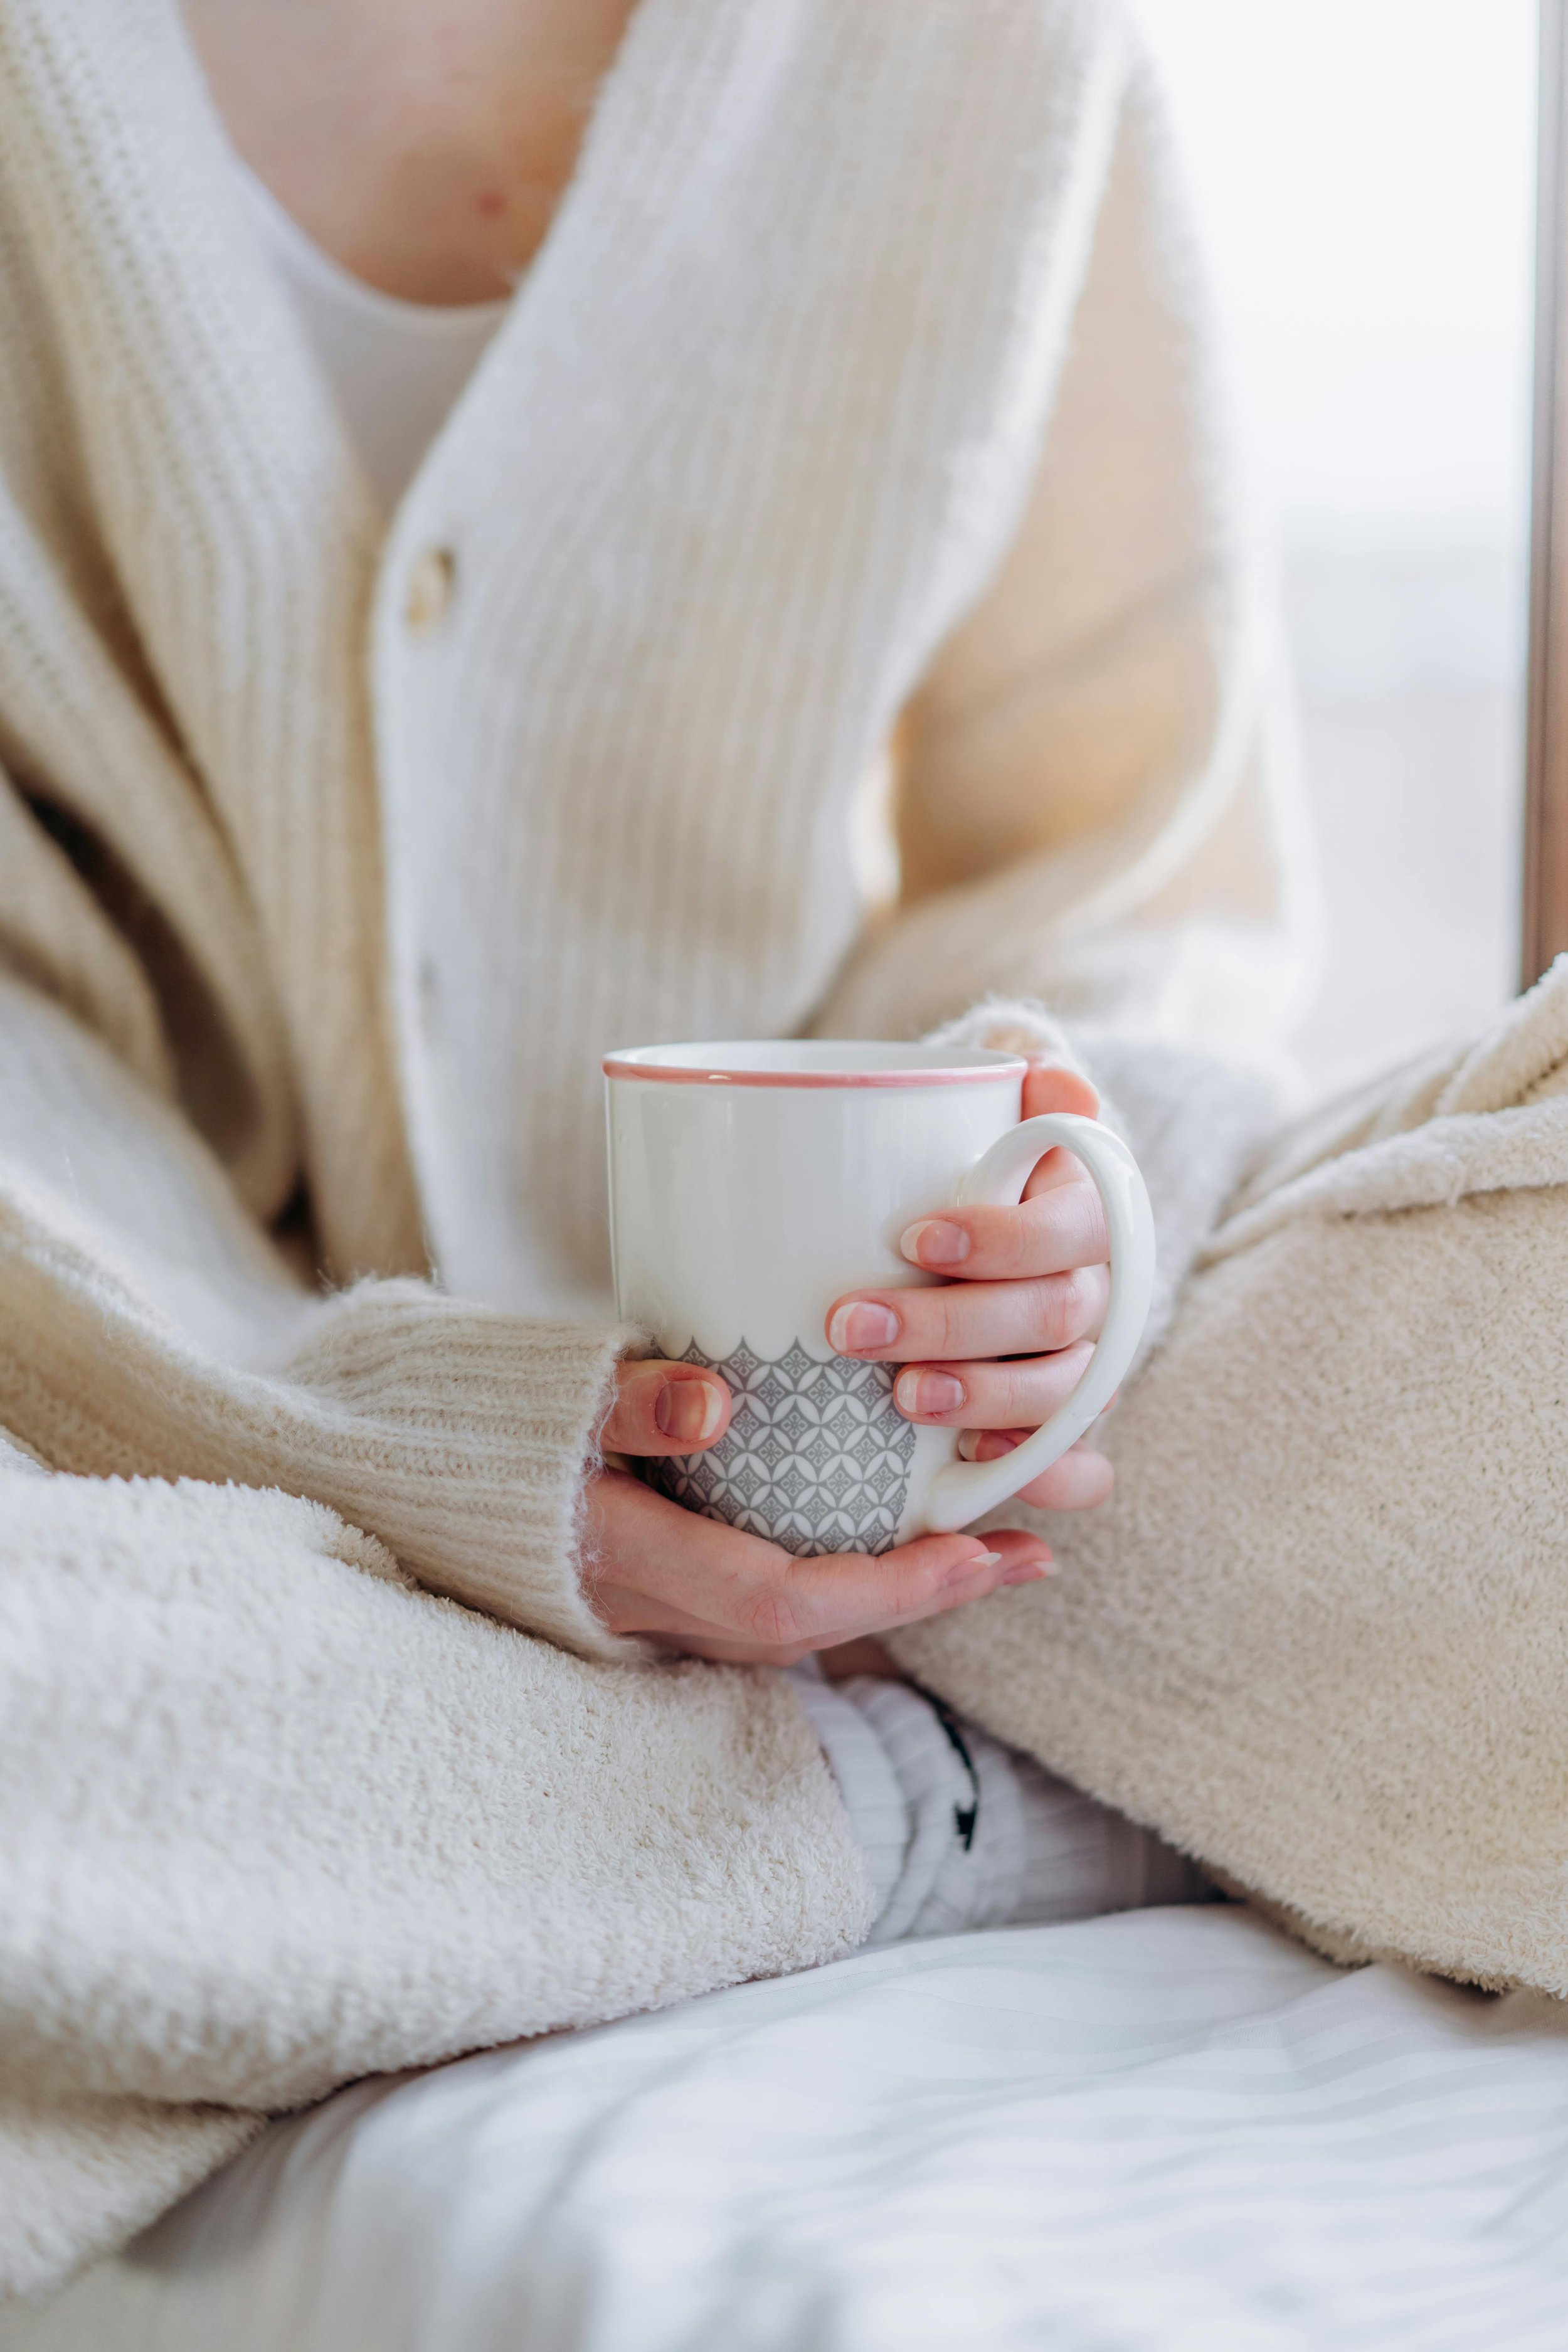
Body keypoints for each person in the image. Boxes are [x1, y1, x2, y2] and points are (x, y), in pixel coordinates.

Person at [0, 0, 1296, 2296]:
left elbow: (1138, 882)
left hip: (926, 1469)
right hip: (153, 1449)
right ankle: (871, 1815)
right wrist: (397, 1454)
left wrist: (1047, 1209)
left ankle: (639, 1801)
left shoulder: (992, 50)